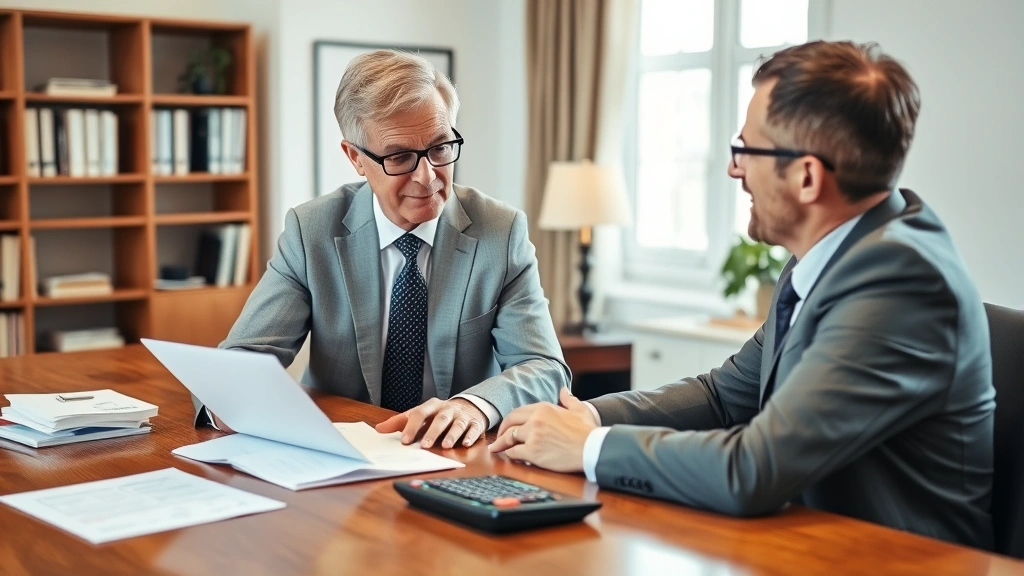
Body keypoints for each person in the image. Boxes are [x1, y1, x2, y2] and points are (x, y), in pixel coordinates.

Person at [489, 40, 995, 550]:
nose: (734, 170)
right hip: (804, 546)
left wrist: (592, 447)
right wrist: (591, 416)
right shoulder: (826, 257)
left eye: (746, 151)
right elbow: (724, 395)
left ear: (806, 177)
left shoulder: (900, 283)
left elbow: (752, 468)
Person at [194, 49, 570, 450]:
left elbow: (544, 367)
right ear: (355, 157)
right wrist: (227, 403)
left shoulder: (501, 232)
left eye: (441, 148)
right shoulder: (312, 231)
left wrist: (476, 405)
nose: (427, 178)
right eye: (400, 157)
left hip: (454, 455)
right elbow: (243, 358)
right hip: (340, 453)